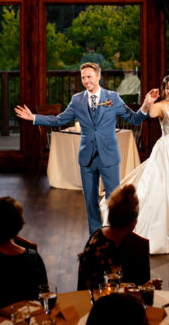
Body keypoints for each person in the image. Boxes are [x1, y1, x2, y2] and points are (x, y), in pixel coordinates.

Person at [15, 62, 155, 234]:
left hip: (108, 156)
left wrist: (146, 105)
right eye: (83, 77)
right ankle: (95, 238)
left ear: (98, 76)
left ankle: (115, 235)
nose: (86, 80)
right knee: (90, 201)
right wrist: (34, 118)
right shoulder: (77, 100)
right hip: (86, 158)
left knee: (114, 200)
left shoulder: (113, 97)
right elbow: (59, 120)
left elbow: (133, 119)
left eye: (89, 76)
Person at [104, 74, 169, 254]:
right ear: (164, 90)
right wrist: (148, 101)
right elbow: (150, 113)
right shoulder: (161, 106)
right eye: (168, 88)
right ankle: (167, 229)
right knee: (167, 187)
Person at [78, 183, 151, 289]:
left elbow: (83, 292)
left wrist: (148, 286)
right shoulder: (139, 246)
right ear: (133, 222)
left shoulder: (94, 244)